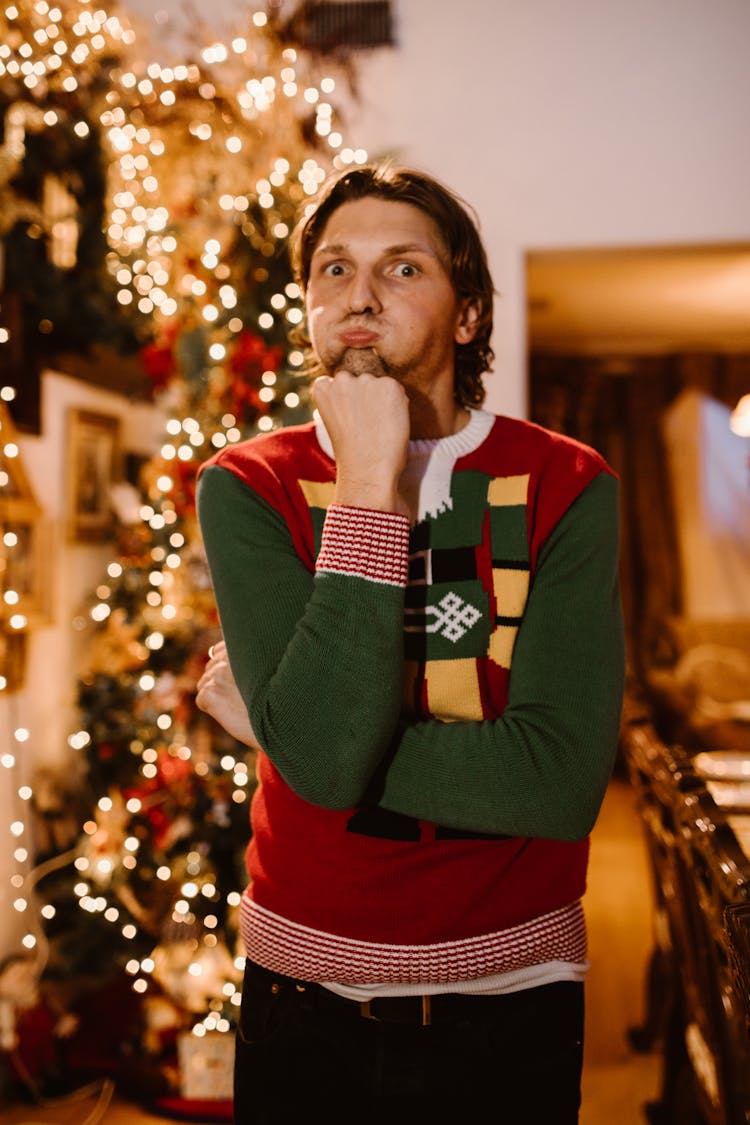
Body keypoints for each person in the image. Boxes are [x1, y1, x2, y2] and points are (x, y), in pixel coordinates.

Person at [195, 161, 625, 1124]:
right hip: (301, 993)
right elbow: (320, 751)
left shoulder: (567, 484)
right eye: (334, 271)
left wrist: (292, 738)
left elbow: (558, 784)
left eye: (400, 269)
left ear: (467, 314)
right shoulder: (247, 485)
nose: (358, 296)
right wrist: (370, 485)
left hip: (514, 994)